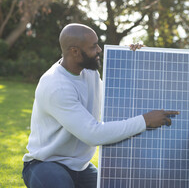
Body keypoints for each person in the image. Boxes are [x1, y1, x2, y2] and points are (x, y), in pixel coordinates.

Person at [22, 23, 179, 188]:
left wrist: (135, 59)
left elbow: (118, 100)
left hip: (81, 168)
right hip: (46, 164)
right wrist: (145, 121)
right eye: (93, 46)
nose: (99, 50)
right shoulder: (56, 86)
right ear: (74, 51)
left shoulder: (90, 73)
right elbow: (93, 134)